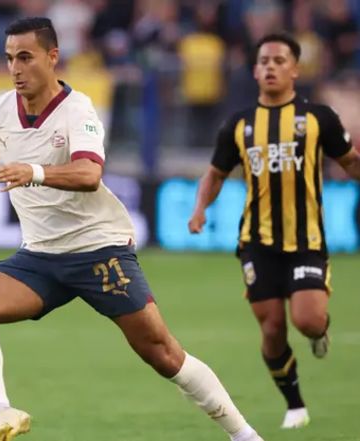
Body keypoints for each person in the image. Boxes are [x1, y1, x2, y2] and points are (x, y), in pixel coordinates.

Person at [0, 16, 264, 441]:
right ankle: (0, 413)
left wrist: (33, 171)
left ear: (52, 57)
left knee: (162, 353)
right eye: (9, 59)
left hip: (99, 250)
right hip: (40, 257)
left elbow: (89, 174)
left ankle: (245, 435)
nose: (15, 69)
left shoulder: (77, 110)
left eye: (25, 57)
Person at [189, 33, 360, 429]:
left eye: (279, 60)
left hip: (306, 240)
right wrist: (199, 210)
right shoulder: (239, 124)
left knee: (308, 320)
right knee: (271, 328)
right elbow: (215, 174)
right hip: (257, 242)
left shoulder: (318, 118)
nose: (270, 67)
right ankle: (295, 404)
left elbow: (349, 160)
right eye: (264, 61)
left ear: (295, 70)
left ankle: (319, 333)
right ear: (254, 70)